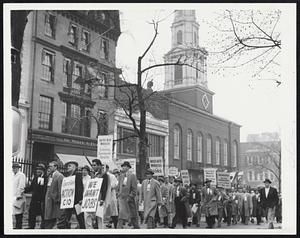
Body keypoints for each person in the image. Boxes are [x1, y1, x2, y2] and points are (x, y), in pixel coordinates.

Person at [59, 161, 85, 229]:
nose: (68, 167)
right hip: (69, 200)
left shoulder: (77, 175)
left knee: (80, 217)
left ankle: (84, 230)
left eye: (69, 166)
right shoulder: (67, 177)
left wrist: (80, 199)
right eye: (67, 166)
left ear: (74, 167)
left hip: (76, 201)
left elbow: (80, 188)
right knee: (65, 217)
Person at [85, 159, 109, 229]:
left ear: (99, 165)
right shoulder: (93, 175)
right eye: (92, 165)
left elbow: (104, 187)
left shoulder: (104, 175)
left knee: (99, 217)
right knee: (87, 215)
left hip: (100, 198)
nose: (93, 167)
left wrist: (102, 199)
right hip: (92, 198)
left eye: (94, 165)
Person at [117, 161, 139, 229]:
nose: (123, 168)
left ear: (127, 167)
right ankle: (118, 229)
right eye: (122, 166)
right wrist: (117, 194)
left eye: (124, 166)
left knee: (133, 216)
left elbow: (134, 189)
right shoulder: (121, 176)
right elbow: (118, 187)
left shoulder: (132, 176)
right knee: (121, 215)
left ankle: (137, 228)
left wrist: (130, 196)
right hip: (121, 199)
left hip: (129, 199)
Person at [25, 163, 47, 229]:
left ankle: (43, 227)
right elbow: (31, 187)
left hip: (41, 200)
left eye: (40, 169)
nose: (38, 171)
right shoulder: (35, 177)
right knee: (31, 212)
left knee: (43, 214)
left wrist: (42, 199)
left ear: (43, 170)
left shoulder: (46, 178)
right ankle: (31, 226)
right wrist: (24, 190)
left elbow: (45, 189)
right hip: (34, 199)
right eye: (37, 169)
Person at [44, 161, 64, 229]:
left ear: (55, 167)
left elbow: (60, 188)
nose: (49, 168)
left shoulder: (59, 176)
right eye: (49, 166)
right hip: (49, 199)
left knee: (54, 216)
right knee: (49, 216)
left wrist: (58, 199)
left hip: (54, 200)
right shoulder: (50, 175)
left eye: (51, 166)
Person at [12, 162, 26, 229]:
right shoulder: (12, 175)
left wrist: (18, 195)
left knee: (19, 213)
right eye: (13, 168)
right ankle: (16, 226)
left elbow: (21, 186)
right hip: (12, 196)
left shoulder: (21, 175)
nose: (14, 169)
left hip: (18, 197)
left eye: (15, 168)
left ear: (18, 168)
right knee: (14, 212)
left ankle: (19, 227)